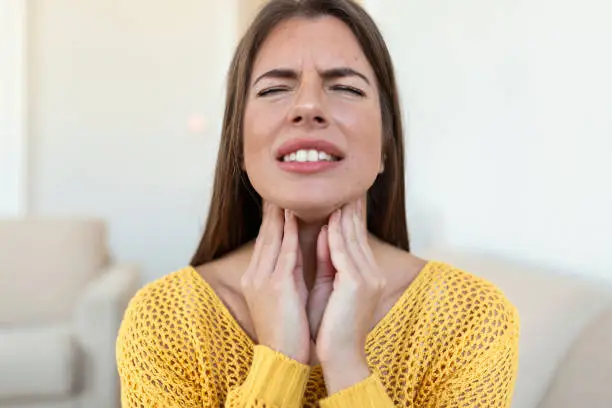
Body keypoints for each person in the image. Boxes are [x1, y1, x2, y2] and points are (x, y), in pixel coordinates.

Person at [116, 0, 520, 407]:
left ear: (385, 146)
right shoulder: (162, 320)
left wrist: (346, 362)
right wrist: (280, 359)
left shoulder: (473, 320)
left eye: (346, 88)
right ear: (238, 144)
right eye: (274, 89)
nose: (308, 107)